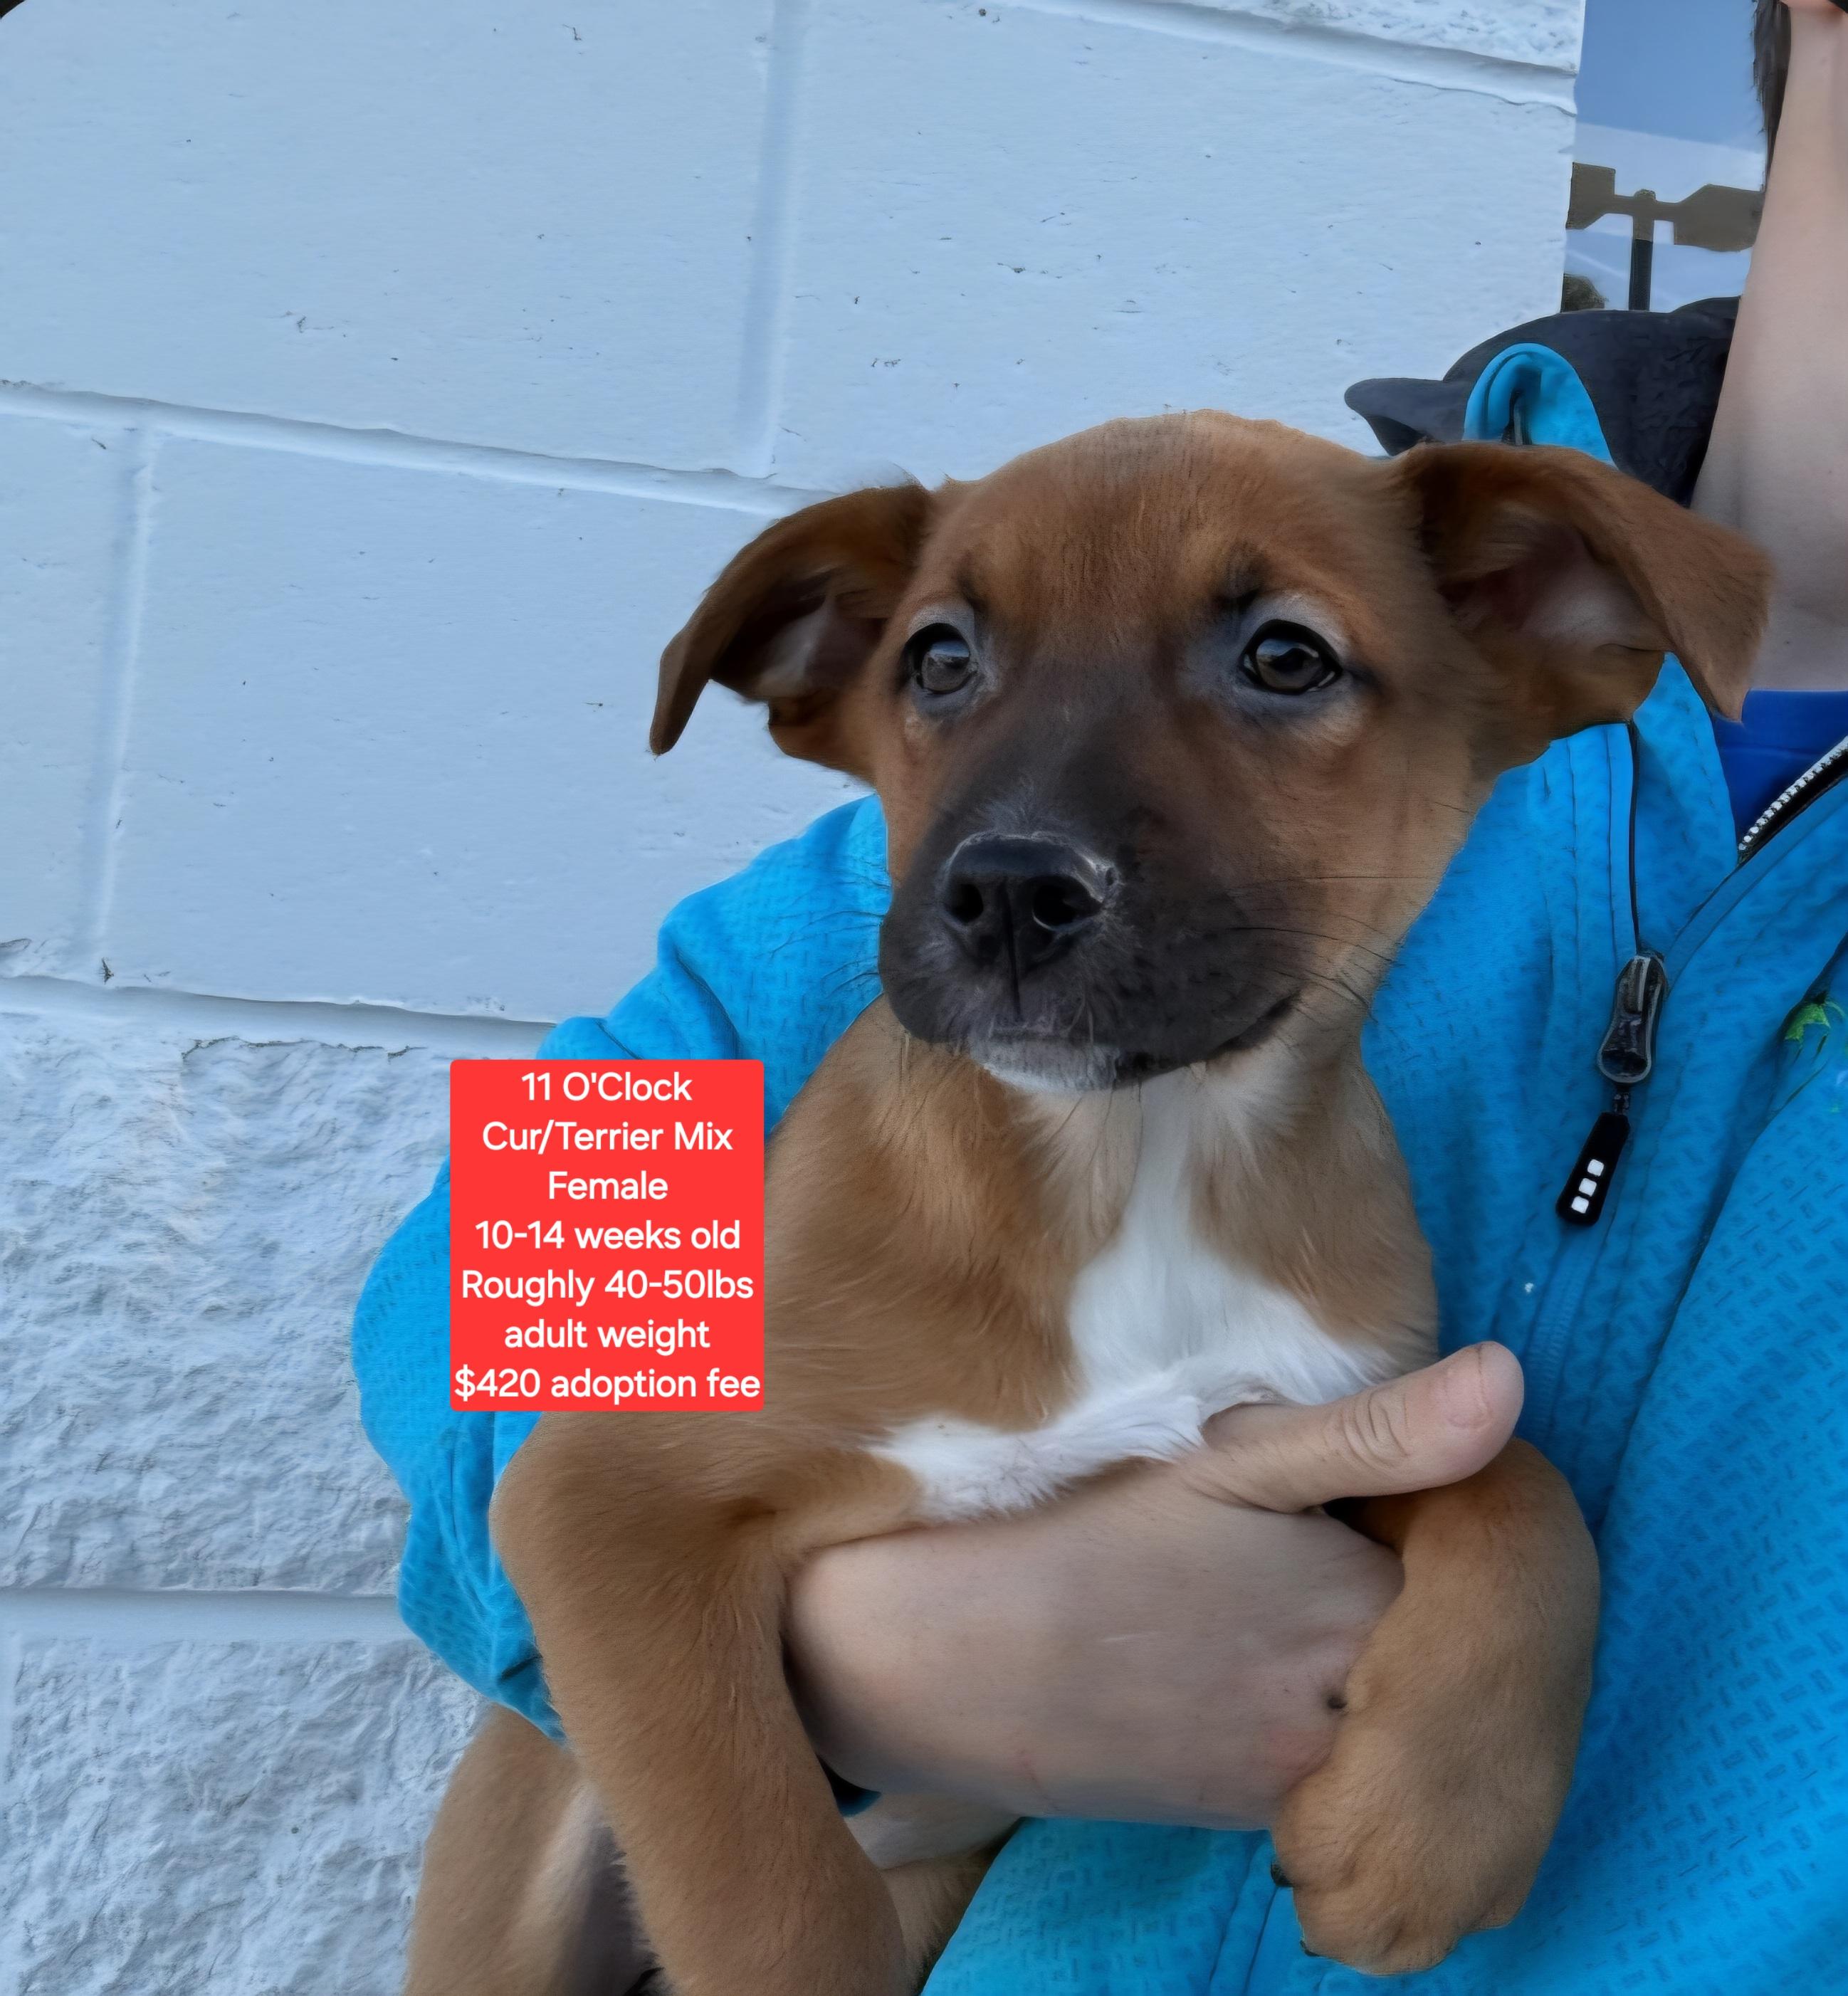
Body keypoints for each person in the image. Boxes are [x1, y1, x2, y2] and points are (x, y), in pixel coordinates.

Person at [353, 3, 1848, 1987]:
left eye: (1282, 674)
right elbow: (497, 1273)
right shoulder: (1091, 716)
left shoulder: (1428, 653)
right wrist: (875, 1657)